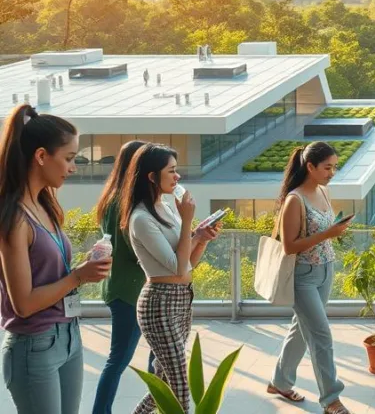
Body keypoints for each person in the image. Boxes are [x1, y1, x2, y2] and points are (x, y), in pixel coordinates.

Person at [0, 105, 111, 414]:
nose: (73, 167)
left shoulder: (45, 206)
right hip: (34, 346)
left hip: (68, 336)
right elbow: (22, 303)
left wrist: (84, 268)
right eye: (69, 158)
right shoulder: (14, 219)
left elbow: (51, 272)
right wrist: (78, 276)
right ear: (40, 156)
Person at [123, 144, 220, 414]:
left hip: (182, 300)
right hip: (160, 304)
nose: (177, 177)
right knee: (179, 387)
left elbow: (188, 266)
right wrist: (188, 220)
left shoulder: (165, 207)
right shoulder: (141, 218)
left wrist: (200, 238)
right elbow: (176, 269)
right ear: (152, 177)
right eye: (172, 171)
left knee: (165, 382)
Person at [267, 141, 353, 414]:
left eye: (334, 166)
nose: (332, 172)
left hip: (326, 270)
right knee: (321, 336)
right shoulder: (295, 199)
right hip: (302, 277)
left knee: (301, 331)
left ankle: (279, 381)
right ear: (310, 166)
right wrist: (329, 234)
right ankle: (331, 399)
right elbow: (290, 246)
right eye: (328, 167)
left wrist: (335, 230)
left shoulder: (324, 192)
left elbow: (323, 230)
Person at [93, 140, 156, 414]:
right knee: (119, 359)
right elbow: (135, 250)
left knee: (151, 357)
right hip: (132, 291)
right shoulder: (127, 202)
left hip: (120, 288)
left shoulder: (112, 197)